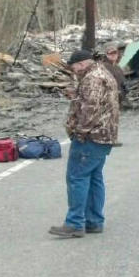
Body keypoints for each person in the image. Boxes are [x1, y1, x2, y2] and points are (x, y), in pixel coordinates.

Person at [49, 49, 120, 239]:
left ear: (81, 64)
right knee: (94, 178)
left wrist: (78, 132)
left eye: (74, 67)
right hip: (104, 136)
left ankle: (74, 223)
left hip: (91, 136)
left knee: (77, 177)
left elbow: (90, 109)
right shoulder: (103, 73)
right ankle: (94, 221)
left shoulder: (92, 79)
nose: (73, 71)